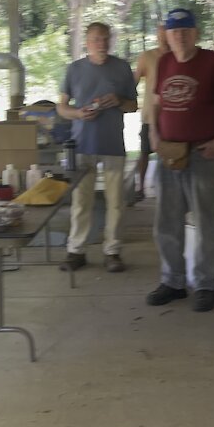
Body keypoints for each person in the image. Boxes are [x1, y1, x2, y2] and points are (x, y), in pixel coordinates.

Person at [146, 8, 214, 312]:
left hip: (204, 155)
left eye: (186, 30)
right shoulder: (164, 62)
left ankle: (205, 284)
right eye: (175, 31)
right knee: (166, 222)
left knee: (205, 222)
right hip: (168, 155)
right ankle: (173, 281)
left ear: (196, 33)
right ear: (167, 35)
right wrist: (152, 132)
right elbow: (155, 102)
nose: (180, 36)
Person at [57, 22, 138, 273]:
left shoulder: (122, 68)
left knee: (116, 202)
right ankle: (76, 250)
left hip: (113, 143)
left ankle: (112, 251)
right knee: (82, 201)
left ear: (111, 40)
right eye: (95, 40)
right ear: (86, 42)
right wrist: (78, 114)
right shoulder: (75, 69)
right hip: (83, 144)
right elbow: (61, 106)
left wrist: (119, 100)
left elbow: (133, 106)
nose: (101, 44)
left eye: (105, 39)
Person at [132, 24, 168, 204]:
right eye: (160, 34)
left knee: (169, 153)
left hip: (171, 116)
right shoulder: (147, 56)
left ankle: (165, 187)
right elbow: (134, 81)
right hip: (149, 115)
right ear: (156, 36)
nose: (164, 38)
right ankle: (140, 187)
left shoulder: (177, 56)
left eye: (166, 34)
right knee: (145, 152)